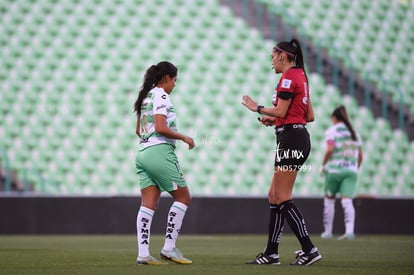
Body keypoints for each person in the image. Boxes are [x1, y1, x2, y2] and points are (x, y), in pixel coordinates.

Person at [241, 38, 322, 266]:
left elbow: (281, 109)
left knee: (283, 197)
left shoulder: (288, 78)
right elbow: (308, 116)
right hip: (294, 135)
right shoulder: (301, 76)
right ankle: (271, 253)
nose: (272, 62)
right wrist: (274, 119)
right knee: (274, 195)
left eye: (273, 57)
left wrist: (256, 108)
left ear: (283, 56)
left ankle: (309, 249)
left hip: (292, 139)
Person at [133, 61, 195, 265]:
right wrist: (183, 137)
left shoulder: (145, 96)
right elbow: (160, 127)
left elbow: (138, 130)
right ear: (166, 78)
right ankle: (169, 248)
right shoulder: (161, 94)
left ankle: (143, 254)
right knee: (183, 197)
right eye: (175, 80)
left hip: (142, 151)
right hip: (159, 151)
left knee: (148, 204)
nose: (175, 85)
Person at [320, 105, 363, 240]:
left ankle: (328, 232)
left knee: (329, 200)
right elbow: (360, 155)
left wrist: (323, 164)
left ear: (334, 118)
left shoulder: (332, 131)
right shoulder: (354, 132)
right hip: (351, 170)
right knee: (347, 201)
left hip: (334, 170)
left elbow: (330, 149)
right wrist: (356, 168)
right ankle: (349, 232)